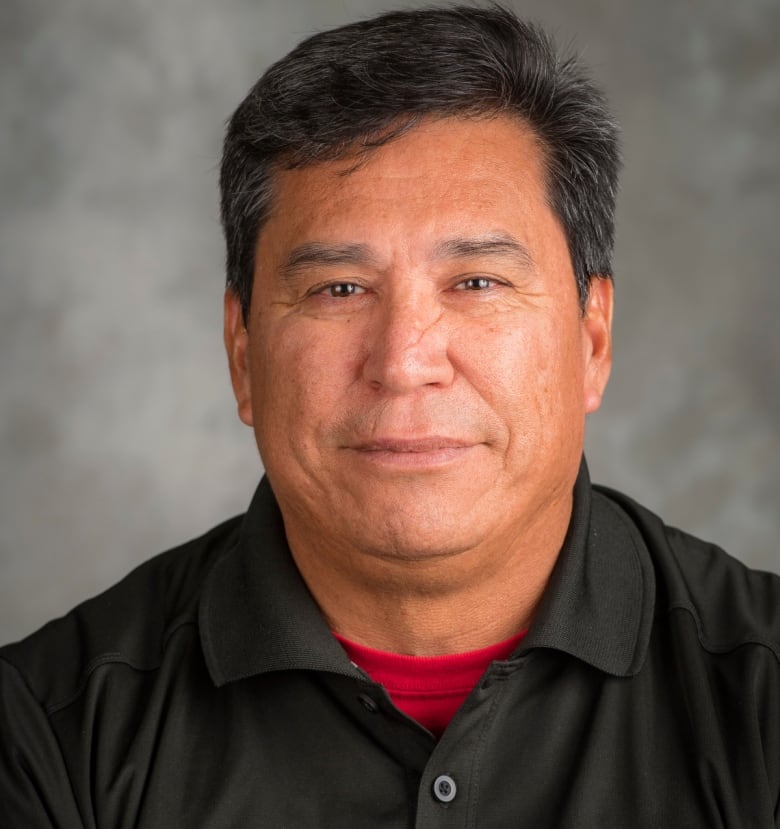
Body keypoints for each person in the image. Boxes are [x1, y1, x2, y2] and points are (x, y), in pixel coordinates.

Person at [2, 5, 778, 826]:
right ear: (242, 354)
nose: (405, 360)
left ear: (591, 338)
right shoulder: (50, 736)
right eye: (340, 289)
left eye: (476, 281)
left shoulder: (759, 701)